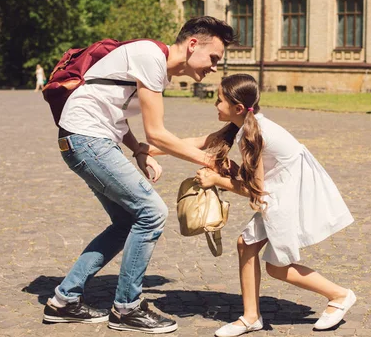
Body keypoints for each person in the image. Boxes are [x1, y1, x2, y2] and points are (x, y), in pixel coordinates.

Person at [42, 16, 235, 334]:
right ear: (192, 45)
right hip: (87, 138)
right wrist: (208, 161)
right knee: (152, 212)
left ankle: (65, 301)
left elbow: (113, 111)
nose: (214, 67)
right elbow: (157, 133)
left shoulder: (153, 64)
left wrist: (138, 150)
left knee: (127, 221)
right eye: (213, 57)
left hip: (85, 138)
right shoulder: (150, 57)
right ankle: (126, 309)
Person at [153, 74, 356, 336]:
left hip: (290, 193)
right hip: (280, 188)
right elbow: (198, 143)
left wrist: (216, 179)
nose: (215, 105)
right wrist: (147, 149)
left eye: (219, 100)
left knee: (276, 267)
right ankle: (251, 316)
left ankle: (339, 295)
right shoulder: (241, 125)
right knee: (249, 247)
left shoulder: (253, 134)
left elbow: (255, 192)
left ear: (237, 108)